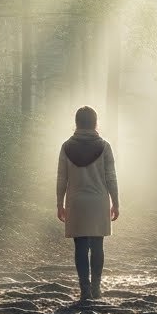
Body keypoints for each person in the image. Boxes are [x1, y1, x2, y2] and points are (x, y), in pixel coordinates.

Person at [57, 106, 119, 300]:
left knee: (80, 247)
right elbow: (111, 177)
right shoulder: (104, 146)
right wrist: (115, 202)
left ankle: (84, 290)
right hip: (98, 201)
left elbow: (62, 178)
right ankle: (96, 289)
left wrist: (60, 203)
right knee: (98, 245)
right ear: (95, 122)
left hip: (76, 202)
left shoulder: (66, 146)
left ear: (76, 122)